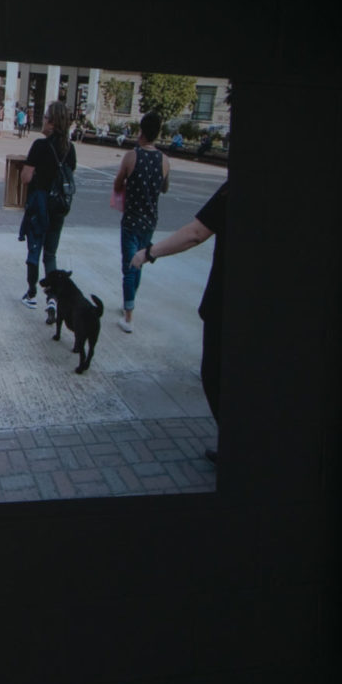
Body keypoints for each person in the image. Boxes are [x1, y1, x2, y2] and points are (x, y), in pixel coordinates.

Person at [130, 180, 226, 461]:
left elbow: (195, 233)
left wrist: (148, 253)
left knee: (215, 375)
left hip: (227, 302)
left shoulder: (234, 189)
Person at [112, 110, 170, 332]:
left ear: (141, 131)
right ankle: (130, 301)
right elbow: (165, 187)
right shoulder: (164, 160)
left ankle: (128, 317)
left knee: (129, 265)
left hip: (131, 218)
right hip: (150, 219)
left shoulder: (131, 156)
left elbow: (118, 184)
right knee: (140, 261)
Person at [18, 99, 77, 307]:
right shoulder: (70, 149)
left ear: (52, 123)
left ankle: (32, 293)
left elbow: (25, 177)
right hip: (59, 208)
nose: (41, 120)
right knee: (50, 254)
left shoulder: (40, 146)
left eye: (44, 117)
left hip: (39, 206)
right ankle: (53, 297)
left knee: (34, 250)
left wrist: (37, 178)